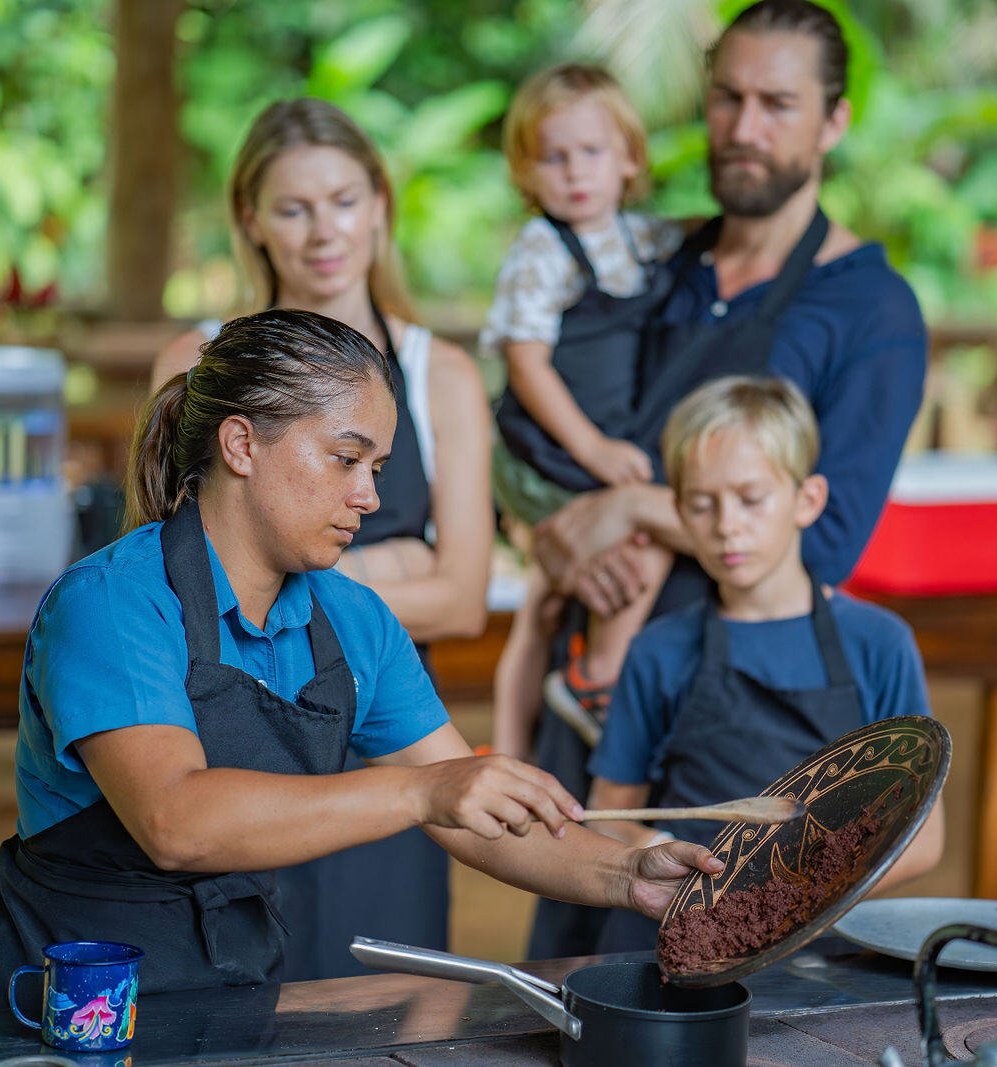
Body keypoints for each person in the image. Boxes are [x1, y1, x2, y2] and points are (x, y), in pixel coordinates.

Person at [0, 310, 722, 1013]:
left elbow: (479, 821)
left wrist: (628, 873)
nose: (370, 496)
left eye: (377, 467)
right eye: (346, 459)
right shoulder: (112, 603)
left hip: (225, 994)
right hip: (61, 1008)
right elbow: (176, 820)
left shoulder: (354, 621)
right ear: (241, 444)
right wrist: (422, 791)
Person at [527, 0, 930, 958]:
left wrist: (627, 506)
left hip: (743, 753)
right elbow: (550, 425)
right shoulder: (655, 263)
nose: (745, 129)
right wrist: (548, 528)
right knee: (584, 982)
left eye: (778, 105)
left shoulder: (869, 307)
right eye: (728, 98)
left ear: (833, 121)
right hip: (593, 696)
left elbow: (826, 544)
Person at [151, 99, 492, 980]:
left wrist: (281, 571)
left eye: (342, 200)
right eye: (293, 208)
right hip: (224, 735)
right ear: (251, 221)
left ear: (380, 204)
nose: (322, 232)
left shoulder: (440, 373)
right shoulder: (194, 365)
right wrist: (391, 560)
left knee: (385, 1002)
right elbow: (176, 579)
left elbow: (461, 599)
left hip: (384, 734)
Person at [583, 375, 944, 951]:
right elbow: (610, 813)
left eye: (751, 499)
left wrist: (790, 896)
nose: (727, 525)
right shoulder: (661, 649)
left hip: (827, 942)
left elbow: (923, 841)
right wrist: (653, 850)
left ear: (808, 500)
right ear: (678, 510)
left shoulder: (879, 643)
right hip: (688, 933)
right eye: (701, 505)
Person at [481, 63, 685, 761]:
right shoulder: (543, 249)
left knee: (539, 606)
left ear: (629, 158)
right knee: (640, 536)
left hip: (582, 446)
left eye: (592, 153)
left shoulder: (638, 238)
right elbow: (526, 362)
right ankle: (598, 678)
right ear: (526, 172)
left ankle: (510, 746)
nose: (574, 173)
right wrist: (594, 449)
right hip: (546, 449)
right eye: (553, 157)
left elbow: (694, 239)